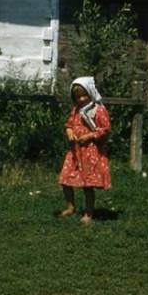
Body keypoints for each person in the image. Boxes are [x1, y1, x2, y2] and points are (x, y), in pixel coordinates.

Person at [58, 77, 112, 224]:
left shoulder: (98, 110)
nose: (81, 99)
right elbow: (69, 124)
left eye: (84, 95)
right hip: (75, 152)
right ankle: (70, 207)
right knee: (65, 179)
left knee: (87, 185)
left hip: (90, 152)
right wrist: (69, 132)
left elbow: (105, 130)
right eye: (77, 97)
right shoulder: (76, 110)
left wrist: (89, 136)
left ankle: (88, 213)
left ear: (91, 93)